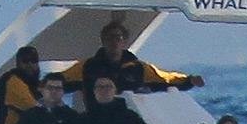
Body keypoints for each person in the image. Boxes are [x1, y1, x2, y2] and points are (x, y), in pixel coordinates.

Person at [59, 21, 204, 99]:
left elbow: (166, 79)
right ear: (103, 41)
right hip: (95, 116)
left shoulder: (139, 68)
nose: (114, 41)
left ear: (125, 42)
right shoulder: (88, 66)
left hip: (125, 117)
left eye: (118, 37)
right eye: (109, 38)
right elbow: (58, 81)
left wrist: (189, 80)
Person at [11, 72, 79, 124]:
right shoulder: (29, 115)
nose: (53, 91)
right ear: (42, 90)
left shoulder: (73, 116)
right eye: (49, 88)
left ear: (63, 91)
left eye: (58, 88)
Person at [0, 45, 41, 124]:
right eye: (25, 61)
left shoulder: (35, 84)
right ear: (18, 63)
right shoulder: (12, 81)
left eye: (34, 60)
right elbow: (32, 108)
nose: (30, 64)